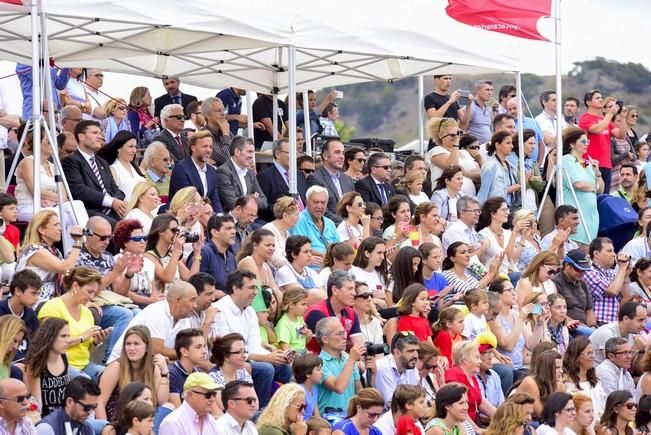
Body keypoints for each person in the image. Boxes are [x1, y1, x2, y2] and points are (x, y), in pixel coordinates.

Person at [210, 270, 291, 408]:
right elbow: (226, 351)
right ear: (236, 289)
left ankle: (277, 408)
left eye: (256, 288)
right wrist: (266, 358)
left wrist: (276, 356)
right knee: (266, 369)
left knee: (284, 367)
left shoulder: (250, 311)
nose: (255, 292)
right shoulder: (219, 310)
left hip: (246, 356)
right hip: (227, 360)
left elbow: (254, 344)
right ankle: (260, 411)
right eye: (251, 288)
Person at [14, 125, 89, 250]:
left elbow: (65, 196)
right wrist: (56, 198)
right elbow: (35, 189)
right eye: (49, 141)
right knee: (64, 216)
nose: (53, 144)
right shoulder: (28, 162)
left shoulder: (54, 166)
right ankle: (75, 252)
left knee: (77, 204)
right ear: (38, 143)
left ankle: (82, 247)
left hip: (51, 206)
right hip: (28, 206)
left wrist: (53, 200)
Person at [37, 266, 110, 381]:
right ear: (75, 286)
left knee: (111, 377)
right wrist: (81, 337)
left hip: (84, 365)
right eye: (89, 291)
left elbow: (86, 351)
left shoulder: (87, 313)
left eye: (94, 293)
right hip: (58, 365)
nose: (91, 297)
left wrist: (96, 341)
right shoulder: (53, 307)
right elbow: (48, 344)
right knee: (85, 383)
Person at [107, 280, 197, 362]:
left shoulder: (185, 320)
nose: (195, 305)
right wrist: (187, 354)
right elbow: (156, 350)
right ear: (178, 300)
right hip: (122, 367)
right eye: (192, 300)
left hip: (150, 367)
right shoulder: (157, 312)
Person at [96, 325, 169, 422]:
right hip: (117, 422)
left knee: (168, 407)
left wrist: (164, 372)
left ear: (147, 347)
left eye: (136, 344)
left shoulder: (153, 369)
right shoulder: (116, 367)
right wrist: (106, 427)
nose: (131, 348)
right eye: (128, 344)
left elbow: (161, 401)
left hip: (142, 422)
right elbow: (99, 402)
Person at [62, 120, 126, 226]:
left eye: (100, 133)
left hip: (113, 212)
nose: (100, 137)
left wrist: (118, 202)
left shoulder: (102, 162)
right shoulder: (71, 161)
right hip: (91, 212)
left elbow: (114, 188)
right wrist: (111, 202)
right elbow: (78, 190)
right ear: (81, 137)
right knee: (119, 227)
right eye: (95, 133)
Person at [15, 210, 83, 305]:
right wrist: (78, 242)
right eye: (55, 225)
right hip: (35, 303)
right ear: (41, 229)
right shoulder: (35, 250)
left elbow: (69, 274)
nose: (60, 229)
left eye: (59, 225)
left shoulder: (55, 251)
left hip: (53, 301)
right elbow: (66, 269)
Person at [313, 316, 365, 415]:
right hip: (330, 421)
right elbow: (339, 388)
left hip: (351, 419)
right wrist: (352, 360)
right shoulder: (318, 363)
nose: (345, 336)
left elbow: (359, 392)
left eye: (344, 332)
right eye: (339, 334)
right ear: (325, 339)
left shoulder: (348, 359)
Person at [561, 127, 603, 246]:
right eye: (583, 141)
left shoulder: (586, 162)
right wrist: (594, 187)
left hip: (591, 216)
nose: (586, 144)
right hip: (577, 214)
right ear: (572, 144)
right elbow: (577, 184)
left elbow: (601, 189)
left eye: (587, 142)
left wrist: (597, 173)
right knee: (575, 249)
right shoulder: (567, 159)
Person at [23, 318, 71, 417]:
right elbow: (36, 402)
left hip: (64, 414)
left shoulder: (64, 356)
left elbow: (68, 389)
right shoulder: (35, 363)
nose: (68, 340)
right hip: (46, 418)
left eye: (68, 336)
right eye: (63, 336)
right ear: (50, 337)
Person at [579, 89, 625, 193]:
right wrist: (610, 114)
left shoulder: (604, 119)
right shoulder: (585, 118)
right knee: (593, 195)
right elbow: (597, 129)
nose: (601, 99)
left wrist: (622, 117)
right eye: (597, 98)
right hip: (589, 163)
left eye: (601, 97)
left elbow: (621, 135)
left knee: (604, 198)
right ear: (588, 102)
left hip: (606, 164)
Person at [169, 130, 223, 214]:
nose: (209, 150)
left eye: (211, 147)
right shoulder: (181, 169)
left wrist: (220, 217)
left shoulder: (211, 171)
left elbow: (215, 199)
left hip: (206, 215)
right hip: (186, 215)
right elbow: (186, 199)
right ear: (193, 148)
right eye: (204, 146)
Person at [445, 341, 495, 427]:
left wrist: (504, 418)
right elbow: (457, 410)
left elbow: (482, 403)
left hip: (475, 423)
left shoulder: (472, 377)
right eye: (477, 357)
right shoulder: (454, 374)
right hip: (461, 426)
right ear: (465, 360)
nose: (480, 361)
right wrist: (476, 429)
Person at [306, 139, 355, 225]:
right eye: (337, 152)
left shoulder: (348, 179)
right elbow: (321, 210)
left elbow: (354, 205)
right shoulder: (315, 178)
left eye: (343, 153)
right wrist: (345, 224)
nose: (342, 156)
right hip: (329, 228)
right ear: (325, 156)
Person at [257, 139, 308, 221]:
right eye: (290, 153)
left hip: (305, 221)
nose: (294, 157)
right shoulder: (265, 176)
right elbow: (263, 206)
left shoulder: (299, 175)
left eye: (295, 153)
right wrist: (283, 210)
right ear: (277, 154)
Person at [585, 238, 632, 325]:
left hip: (614, 322)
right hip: (599, 322)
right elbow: (612, 291)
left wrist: (625, 275)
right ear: (596, 254)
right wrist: (622, 268)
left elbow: (626, 297)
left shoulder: (612, 273)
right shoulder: (589, 272)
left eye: (614, 251)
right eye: (609, 251)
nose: (614, 255)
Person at [426, 118, 479, 195]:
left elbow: (480, 174)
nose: (456, 137)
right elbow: (453, 167)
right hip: (446, 198)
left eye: (458, 133)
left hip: (469, 199)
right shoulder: (436, 151)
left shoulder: (464, 152)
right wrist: (456, 143)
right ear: (441, 135)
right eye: (452, 135)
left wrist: (465, 173)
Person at [551, 249, 597, 335]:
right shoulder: (555, 282)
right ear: (567, 265)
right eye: (578, 269)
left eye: (584, 270)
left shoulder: (583, 284)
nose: (582, 273)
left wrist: (592, 327)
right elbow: (556, 311)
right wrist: (585, 328)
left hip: (585, 328)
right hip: (566, 327)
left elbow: (589, 310)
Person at [0, 270, 42, 364]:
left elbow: (36, 344)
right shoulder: (1, 310)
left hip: (27, 363)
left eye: (38, 294)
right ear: (18, 291)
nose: (37, 298)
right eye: (33, 293)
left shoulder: (30, 314)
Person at [217, 136, 268, 212]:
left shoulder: (250, 173)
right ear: (237, 152)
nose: (251, 156)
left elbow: (264, 202)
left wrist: (249, 200)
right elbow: (232, 203)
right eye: (249, 152)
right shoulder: (223, 172)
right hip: (231, 220)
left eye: (252, 152)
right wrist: (251, 199)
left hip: (250, 218)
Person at [35, 377, 101, 435]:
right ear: (69, 402)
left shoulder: (87, 428)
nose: (91, 413)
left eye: (94, 407)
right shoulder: (46, 429)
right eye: (87, 408)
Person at [290, 186, 340, 261]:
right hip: (310, 266)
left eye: (323, 203)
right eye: (315, 202)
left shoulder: (330, 223)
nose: (319, 206)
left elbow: (338, 248)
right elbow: (299, 247)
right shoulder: (299, 219)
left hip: (331, 265)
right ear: (307, 202)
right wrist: (325, 256)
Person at [96, 130, 145, 201]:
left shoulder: (139, 170)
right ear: (119, 148)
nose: (134, 150)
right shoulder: (112, 170)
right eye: (130, 146)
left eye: (135, 146)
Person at [374, 333, 420, 408]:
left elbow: (417, 396)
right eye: (411, 351)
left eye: (416, 351)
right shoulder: (382, 367)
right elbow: (391, 404)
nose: (416, 355)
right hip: (382, 416)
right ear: (397, 352)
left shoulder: (411, 366)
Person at [515, 349, 564, 419]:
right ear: (547, 368)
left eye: (561, 367)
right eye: (557, 368)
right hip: (517, 419)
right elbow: (541, 414)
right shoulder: (530, 383)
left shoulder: (556, 382)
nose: (561, 371)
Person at [208, 333, 253, 407]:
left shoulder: (243, 373)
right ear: (226, 356)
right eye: (238, 352)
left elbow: (254, 401)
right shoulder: (214, 377)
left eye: (244, 351)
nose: (244, 356)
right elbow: (223, 406)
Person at [166, 328, 206, 407]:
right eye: (198, 347)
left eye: (204, 346)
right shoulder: (171, 373)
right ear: (184, 352)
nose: (204, 351)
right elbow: (177, 411)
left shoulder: (200, 373)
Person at [478, 131, 519, 206]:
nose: (512, 146)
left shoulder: (510, 165)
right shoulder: (490, 165)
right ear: (497, 145)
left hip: (509, 208)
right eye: (508, 143)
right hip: (494, 209)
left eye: (511, 143)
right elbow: (484, 192)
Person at [262, 197, 300, 271]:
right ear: (285, 216)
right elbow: (276, 261)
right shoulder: (269, 230)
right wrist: (298, 262)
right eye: (296, 215)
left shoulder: (286, 232)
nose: (298, 218)